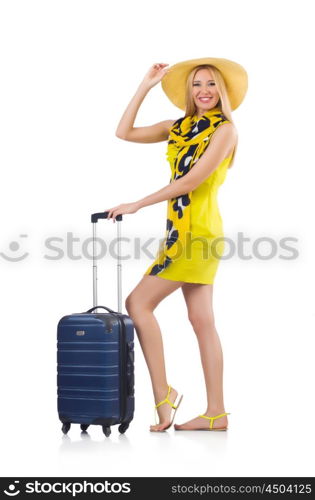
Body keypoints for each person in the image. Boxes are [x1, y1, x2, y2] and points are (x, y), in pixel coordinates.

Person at [104, 57, 248, 432]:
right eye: (198, 84)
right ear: (189, 90)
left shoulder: (225, 131)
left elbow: (190, 182)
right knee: (202, 320)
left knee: (138, 303)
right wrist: (145, 86)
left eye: (212, 84)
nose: (204, 91)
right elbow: (124, 132)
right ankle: (215, 414)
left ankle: (163, 396)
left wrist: (136, 203)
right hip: (179, 232)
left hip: (197, 234)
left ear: (223, 92)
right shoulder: (176, 127)